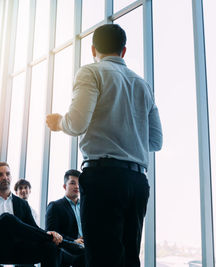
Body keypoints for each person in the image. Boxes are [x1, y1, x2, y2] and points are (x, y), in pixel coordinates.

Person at [46, 24, 163, 267]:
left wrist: (59, 122)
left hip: (103, 178)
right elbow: (156, 141)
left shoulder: (91, 72)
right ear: (124, 51)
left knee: (101, 257)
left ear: (92, 49)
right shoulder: (143, 85)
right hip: (138, 182)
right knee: (129, 257)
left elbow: (77, 123)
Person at [0, 161, 83, 267]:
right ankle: (64, 243)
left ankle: (54, 239)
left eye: (7, 174)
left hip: (20, 247)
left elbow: (32, 229)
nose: (4, 177)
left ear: (11, 177)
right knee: (6, 218)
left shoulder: (22, 204)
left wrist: (48, 236)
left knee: (51, 246)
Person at [46, 169, 85, 267]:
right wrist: (73, 241)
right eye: (72, 183)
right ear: (64, 186)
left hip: (85, 246)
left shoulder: (85, 206)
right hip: (66, 248)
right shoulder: (55, 206)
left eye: (78, 183)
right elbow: (51, 232)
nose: (77, 186)